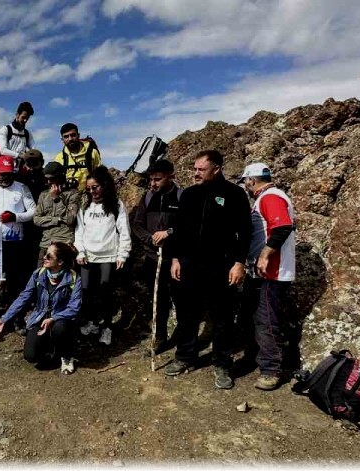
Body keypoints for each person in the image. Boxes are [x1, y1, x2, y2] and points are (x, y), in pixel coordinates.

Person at [164, 150, 253, 390]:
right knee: (187, 314)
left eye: (201, 169)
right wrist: (175, 258)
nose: (195, 173)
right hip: (189, 263)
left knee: (223, 317)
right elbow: (178, 229)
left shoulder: (235, 194)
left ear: (216, 168)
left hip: (222, 265)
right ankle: (185, 357)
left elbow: (245, 232)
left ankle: (222, 364)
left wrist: (239, 263)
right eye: (195, 168)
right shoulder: (190, 195)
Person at [239, 163, 299, 391]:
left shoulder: (270, 197)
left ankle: (272, 370)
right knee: (253, 316)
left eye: (245, 182)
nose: (245, 186)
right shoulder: (267, 198)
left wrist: (264, 255)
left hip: (271, 272)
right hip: (261, 271)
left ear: (252, 181)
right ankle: (258, 359)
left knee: (266, 320)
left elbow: (282, 227)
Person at [0, 242, 83, 375]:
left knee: (60, 328)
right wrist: (5, 318)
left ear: (60, 261)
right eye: (45, 254)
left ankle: (67, 355)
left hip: (62, 319)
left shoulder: (74, 278)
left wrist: (53, 318)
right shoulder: (38, 274)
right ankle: (52, 346)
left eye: (49, 256)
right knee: (31, 356)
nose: (44, 257)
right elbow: (23, 298)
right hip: (40, 317)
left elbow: (74, 308)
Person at [74, 165, 131, 347]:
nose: (92, 192)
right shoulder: (85, 206)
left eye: (95, 187)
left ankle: (107, 327)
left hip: (108, 257)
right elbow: (79, 232)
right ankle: (92, 322)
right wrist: (80, 251)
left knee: (106, 292)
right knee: (86, 291)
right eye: (89, 189)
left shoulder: (116, 205)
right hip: (88, 257)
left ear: (104, 185)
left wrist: (123, 254)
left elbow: (124, 231)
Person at [129, 160, 182, 354]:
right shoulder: (148, 197)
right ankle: (160, 336)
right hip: (154, 257)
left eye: (158, 179)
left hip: (177, 258)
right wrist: (150, 239)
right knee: (158, 299)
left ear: (171, 177)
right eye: (151, 179)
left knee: (180, 298)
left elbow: (190, 225)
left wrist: (169, 232)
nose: (153, 184)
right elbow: (137, 225)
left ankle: (182, 336)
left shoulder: (181, 197)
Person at [0, 156, 38, 319]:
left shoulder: (22, 188)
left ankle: (17, 317)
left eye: (9, 174)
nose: (6, 177)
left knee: (16, 281)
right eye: (2, 174)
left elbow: (33, 211)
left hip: (16, 243)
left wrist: (15, 217)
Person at [33, 162, 80, 264]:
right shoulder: (43, 195)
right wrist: (57, 219)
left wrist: (57, 199)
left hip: (64, 244)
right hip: (46, 243)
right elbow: (36, 219)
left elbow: (70, 219)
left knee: (64, 278)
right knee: (40, 276)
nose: (49, 182)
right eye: (47, 179)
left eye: (52, 179)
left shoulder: (73, 194)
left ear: (61, 177)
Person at [55, 123, 102, 192]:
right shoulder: (59, 158)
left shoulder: (92, 153)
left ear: (78, 135)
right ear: (62, 139)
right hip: (68, 197)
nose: (70, 139)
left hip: (90, 194)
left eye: (73, 135)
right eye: (66, 136)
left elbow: (100, 176)